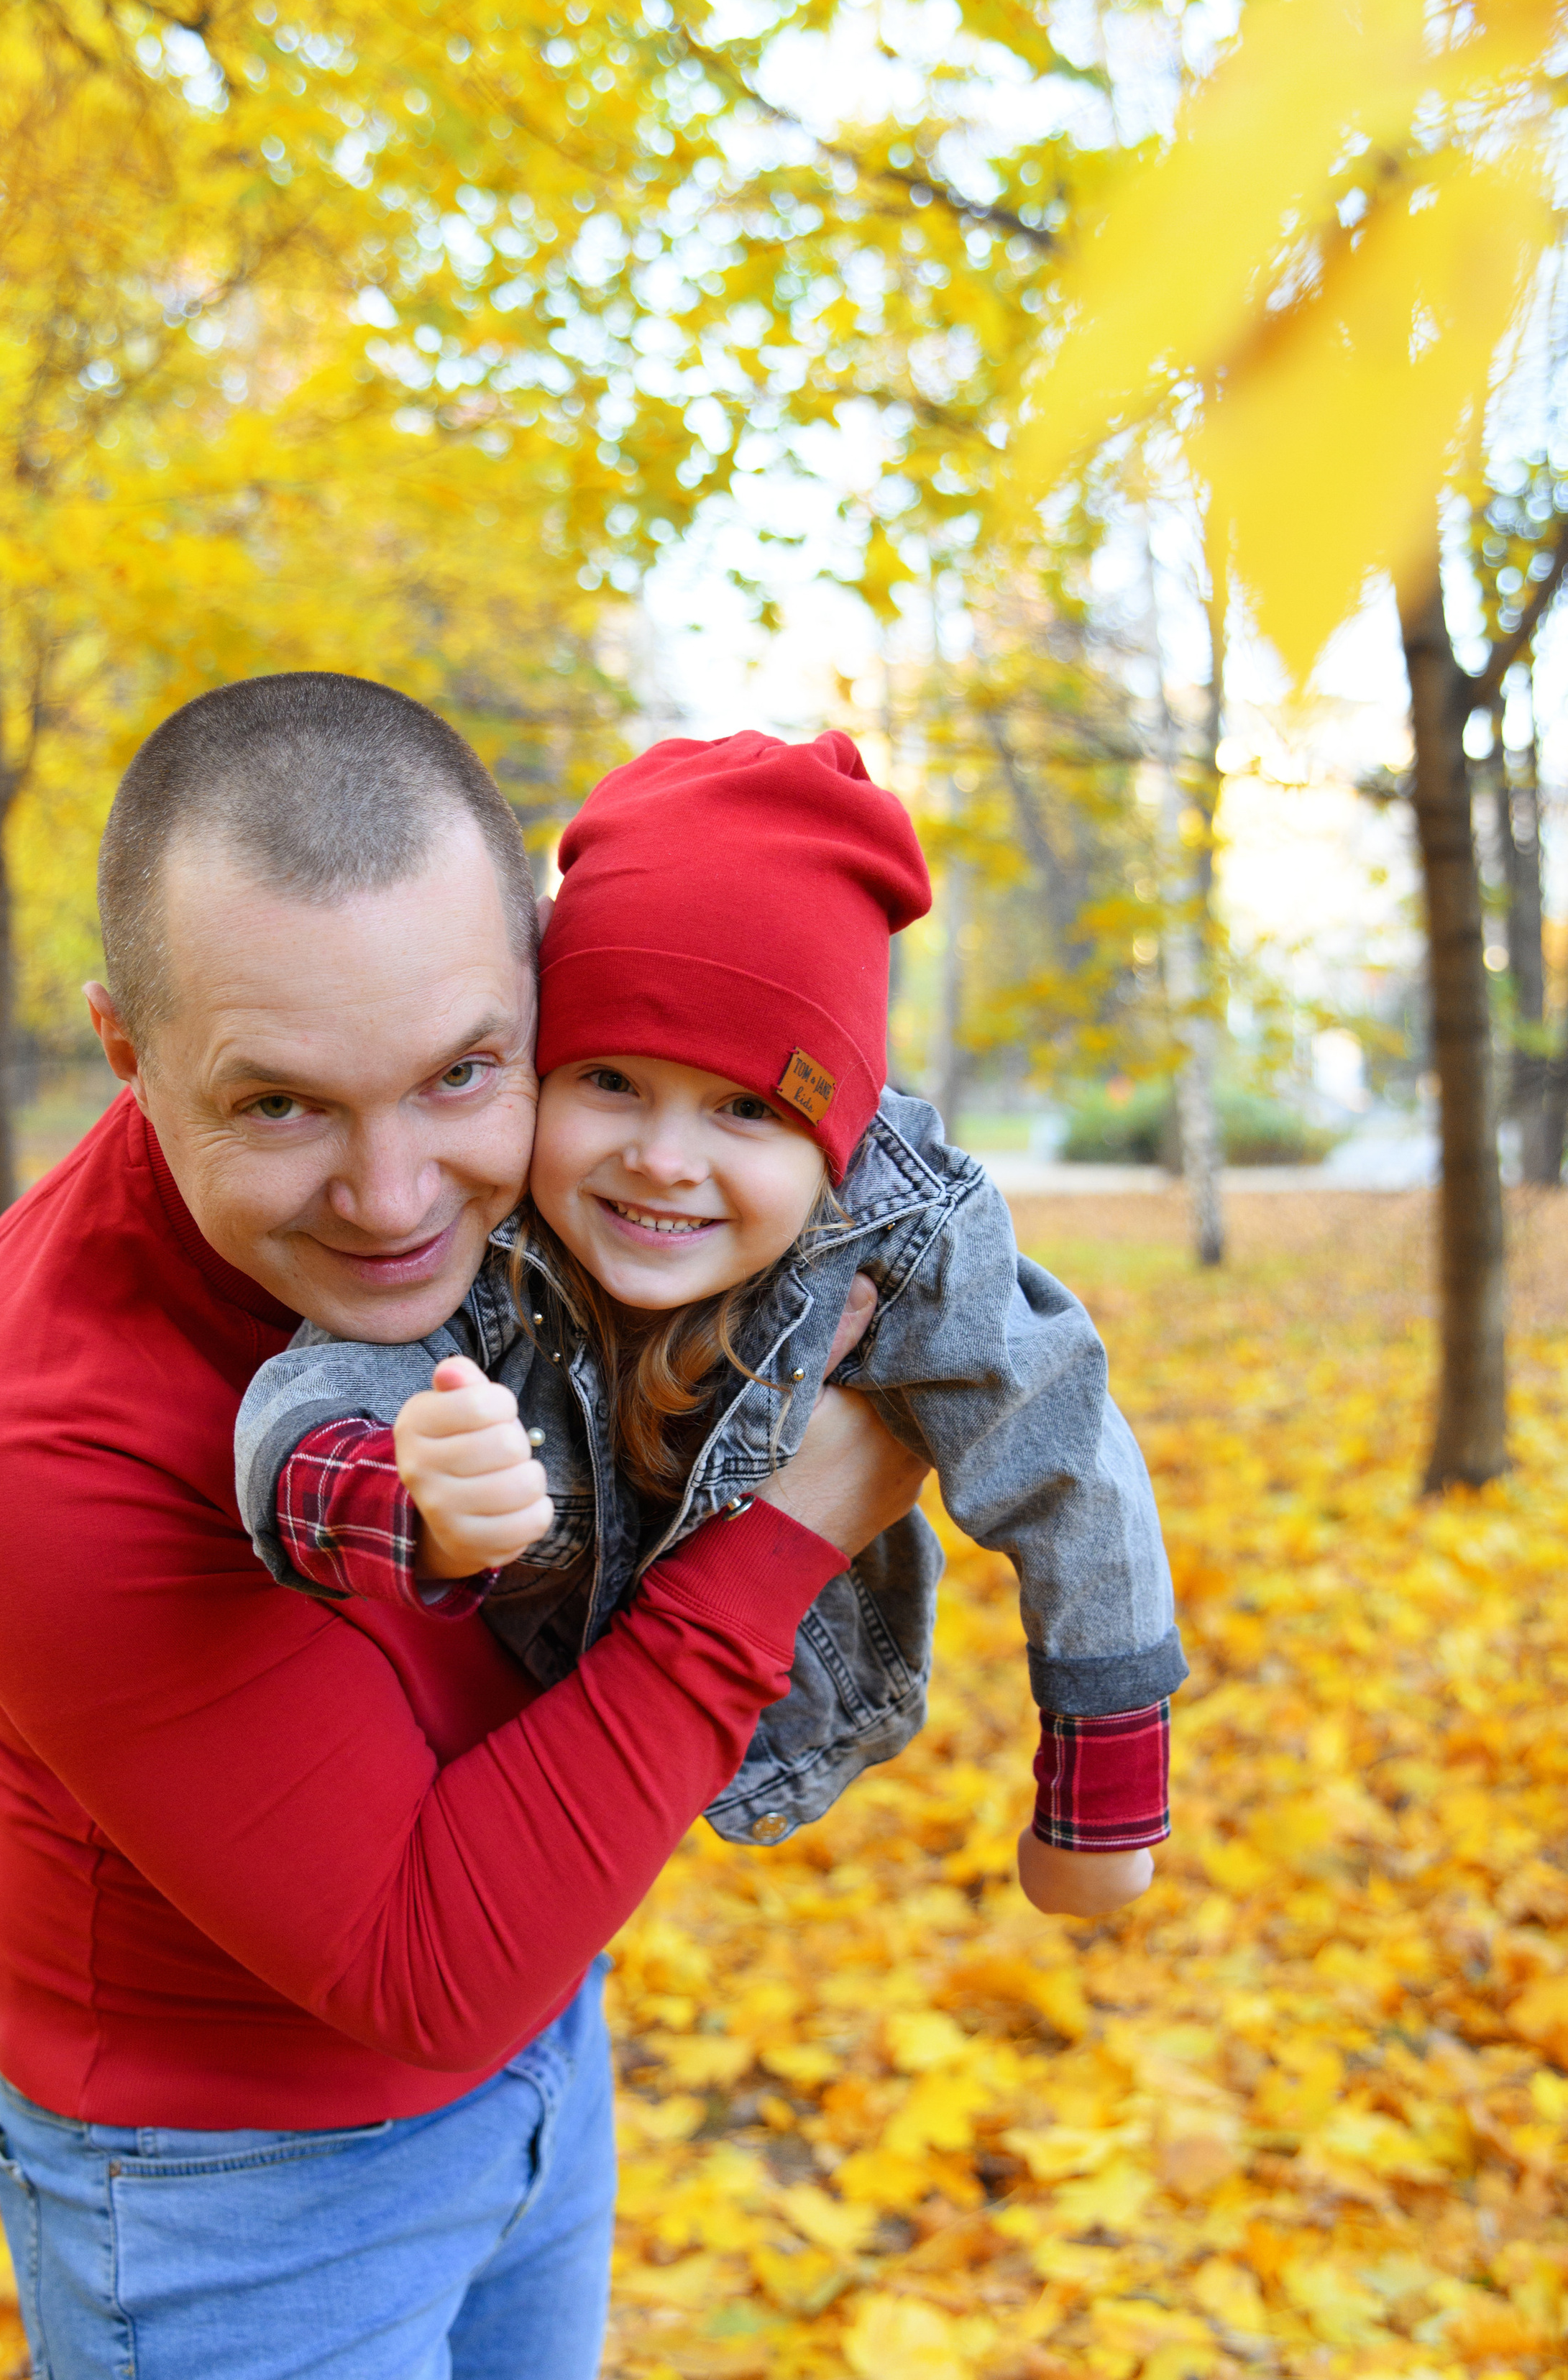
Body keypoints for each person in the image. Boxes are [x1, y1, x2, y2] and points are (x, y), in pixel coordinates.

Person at [0, 673, 926, 2380]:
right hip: (240, 2211)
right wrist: (789, 1530)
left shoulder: (586, 1170)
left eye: (462, 1073)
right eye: (280, 1105)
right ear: (129, 1055)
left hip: (549, 2073)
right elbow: (417, 1964)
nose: (394, 1200)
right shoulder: (37, 1430)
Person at [237, 731, 1183, 1910]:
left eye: (745, 1109)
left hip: (777, 1706)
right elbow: (316, 1387)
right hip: (513, 1741)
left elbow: (1068, 1465)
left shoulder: (899, 1237)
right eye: (610, 1081)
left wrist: (1102, 1796)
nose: (663, 1160)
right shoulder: (492, 1218)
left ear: (836, 1147)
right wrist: (401, 1492)